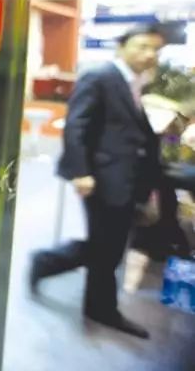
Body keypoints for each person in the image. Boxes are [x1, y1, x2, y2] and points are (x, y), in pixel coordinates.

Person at [29, 24, 167, 340]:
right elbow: (76, 124)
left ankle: (50, 266)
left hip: (124, 177)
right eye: (142, 46)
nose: (149, 54)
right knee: (107, 246)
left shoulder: (134, 82)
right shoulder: (100, 76)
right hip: (102, 177)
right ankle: (99, 306)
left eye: (155, 49)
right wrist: (81, 172)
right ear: (121, 46)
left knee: (106, 245)